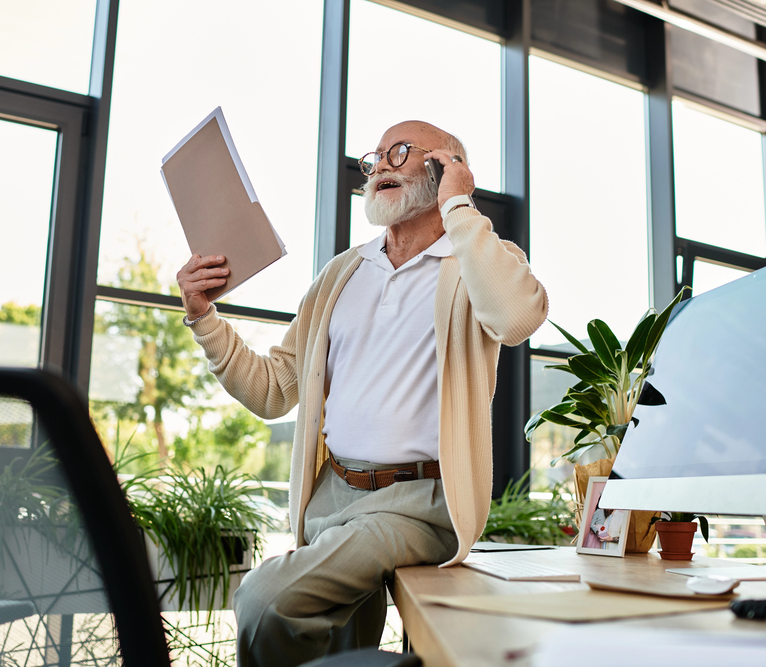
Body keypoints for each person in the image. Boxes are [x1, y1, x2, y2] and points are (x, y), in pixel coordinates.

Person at [176, 120, 548, 666]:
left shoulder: (475, 258)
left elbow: (518, 318)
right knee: (338, 654)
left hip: (416, 504)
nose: (381, 167)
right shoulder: (341, 274)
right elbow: (274, 390)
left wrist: (461, 208)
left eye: (401, 152)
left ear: (446, 168)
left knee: (264, 598)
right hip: (333, 494)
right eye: (375, 159)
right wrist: (204, 318)